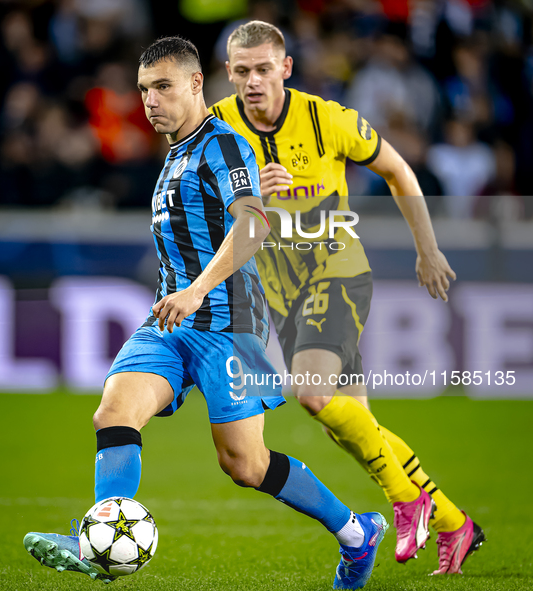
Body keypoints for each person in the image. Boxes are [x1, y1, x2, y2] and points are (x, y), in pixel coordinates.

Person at [23, 37, 388, 590]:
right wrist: (183, 296)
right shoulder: (175, 154)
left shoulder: (223, 146)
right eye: (144, 89)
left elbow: (253, 223)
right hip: (169, 324)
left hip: (228, 325)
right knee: (113, 415)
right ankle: (98, 537)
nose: (150, 101)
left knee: (245, 464)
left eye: (163, 86)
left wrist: (197, 289)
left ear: (196, 84)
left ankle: (357, 534)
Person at [211, 21, 485, 575]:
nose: (253, 81)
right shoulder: (217, 123)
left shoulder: (327, 118)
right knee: (352, 426)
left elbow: (397, 170)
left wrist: (427, 251)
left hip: (336, 271)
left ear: (286, 68)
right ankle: (457, 524)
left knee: (310, 392)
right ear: (229, 74)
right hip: (281, 291)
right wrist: (243, 194)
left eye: (264, 69)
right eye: (242, 71)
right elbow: (205, 202)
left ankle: (407, 501)